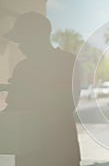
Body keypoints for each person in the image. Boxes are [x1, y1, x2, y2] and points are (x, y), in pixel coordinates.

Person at [0, 12, 80, 166]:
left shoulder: (67, 62)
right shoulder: (22, 67)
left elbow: (67, 103)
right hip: (28, 152)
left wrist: (22, 90)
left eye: (22, 40)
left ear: (37, 38)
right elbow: (13, 107)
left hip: (60, 151)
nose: (20, 47)